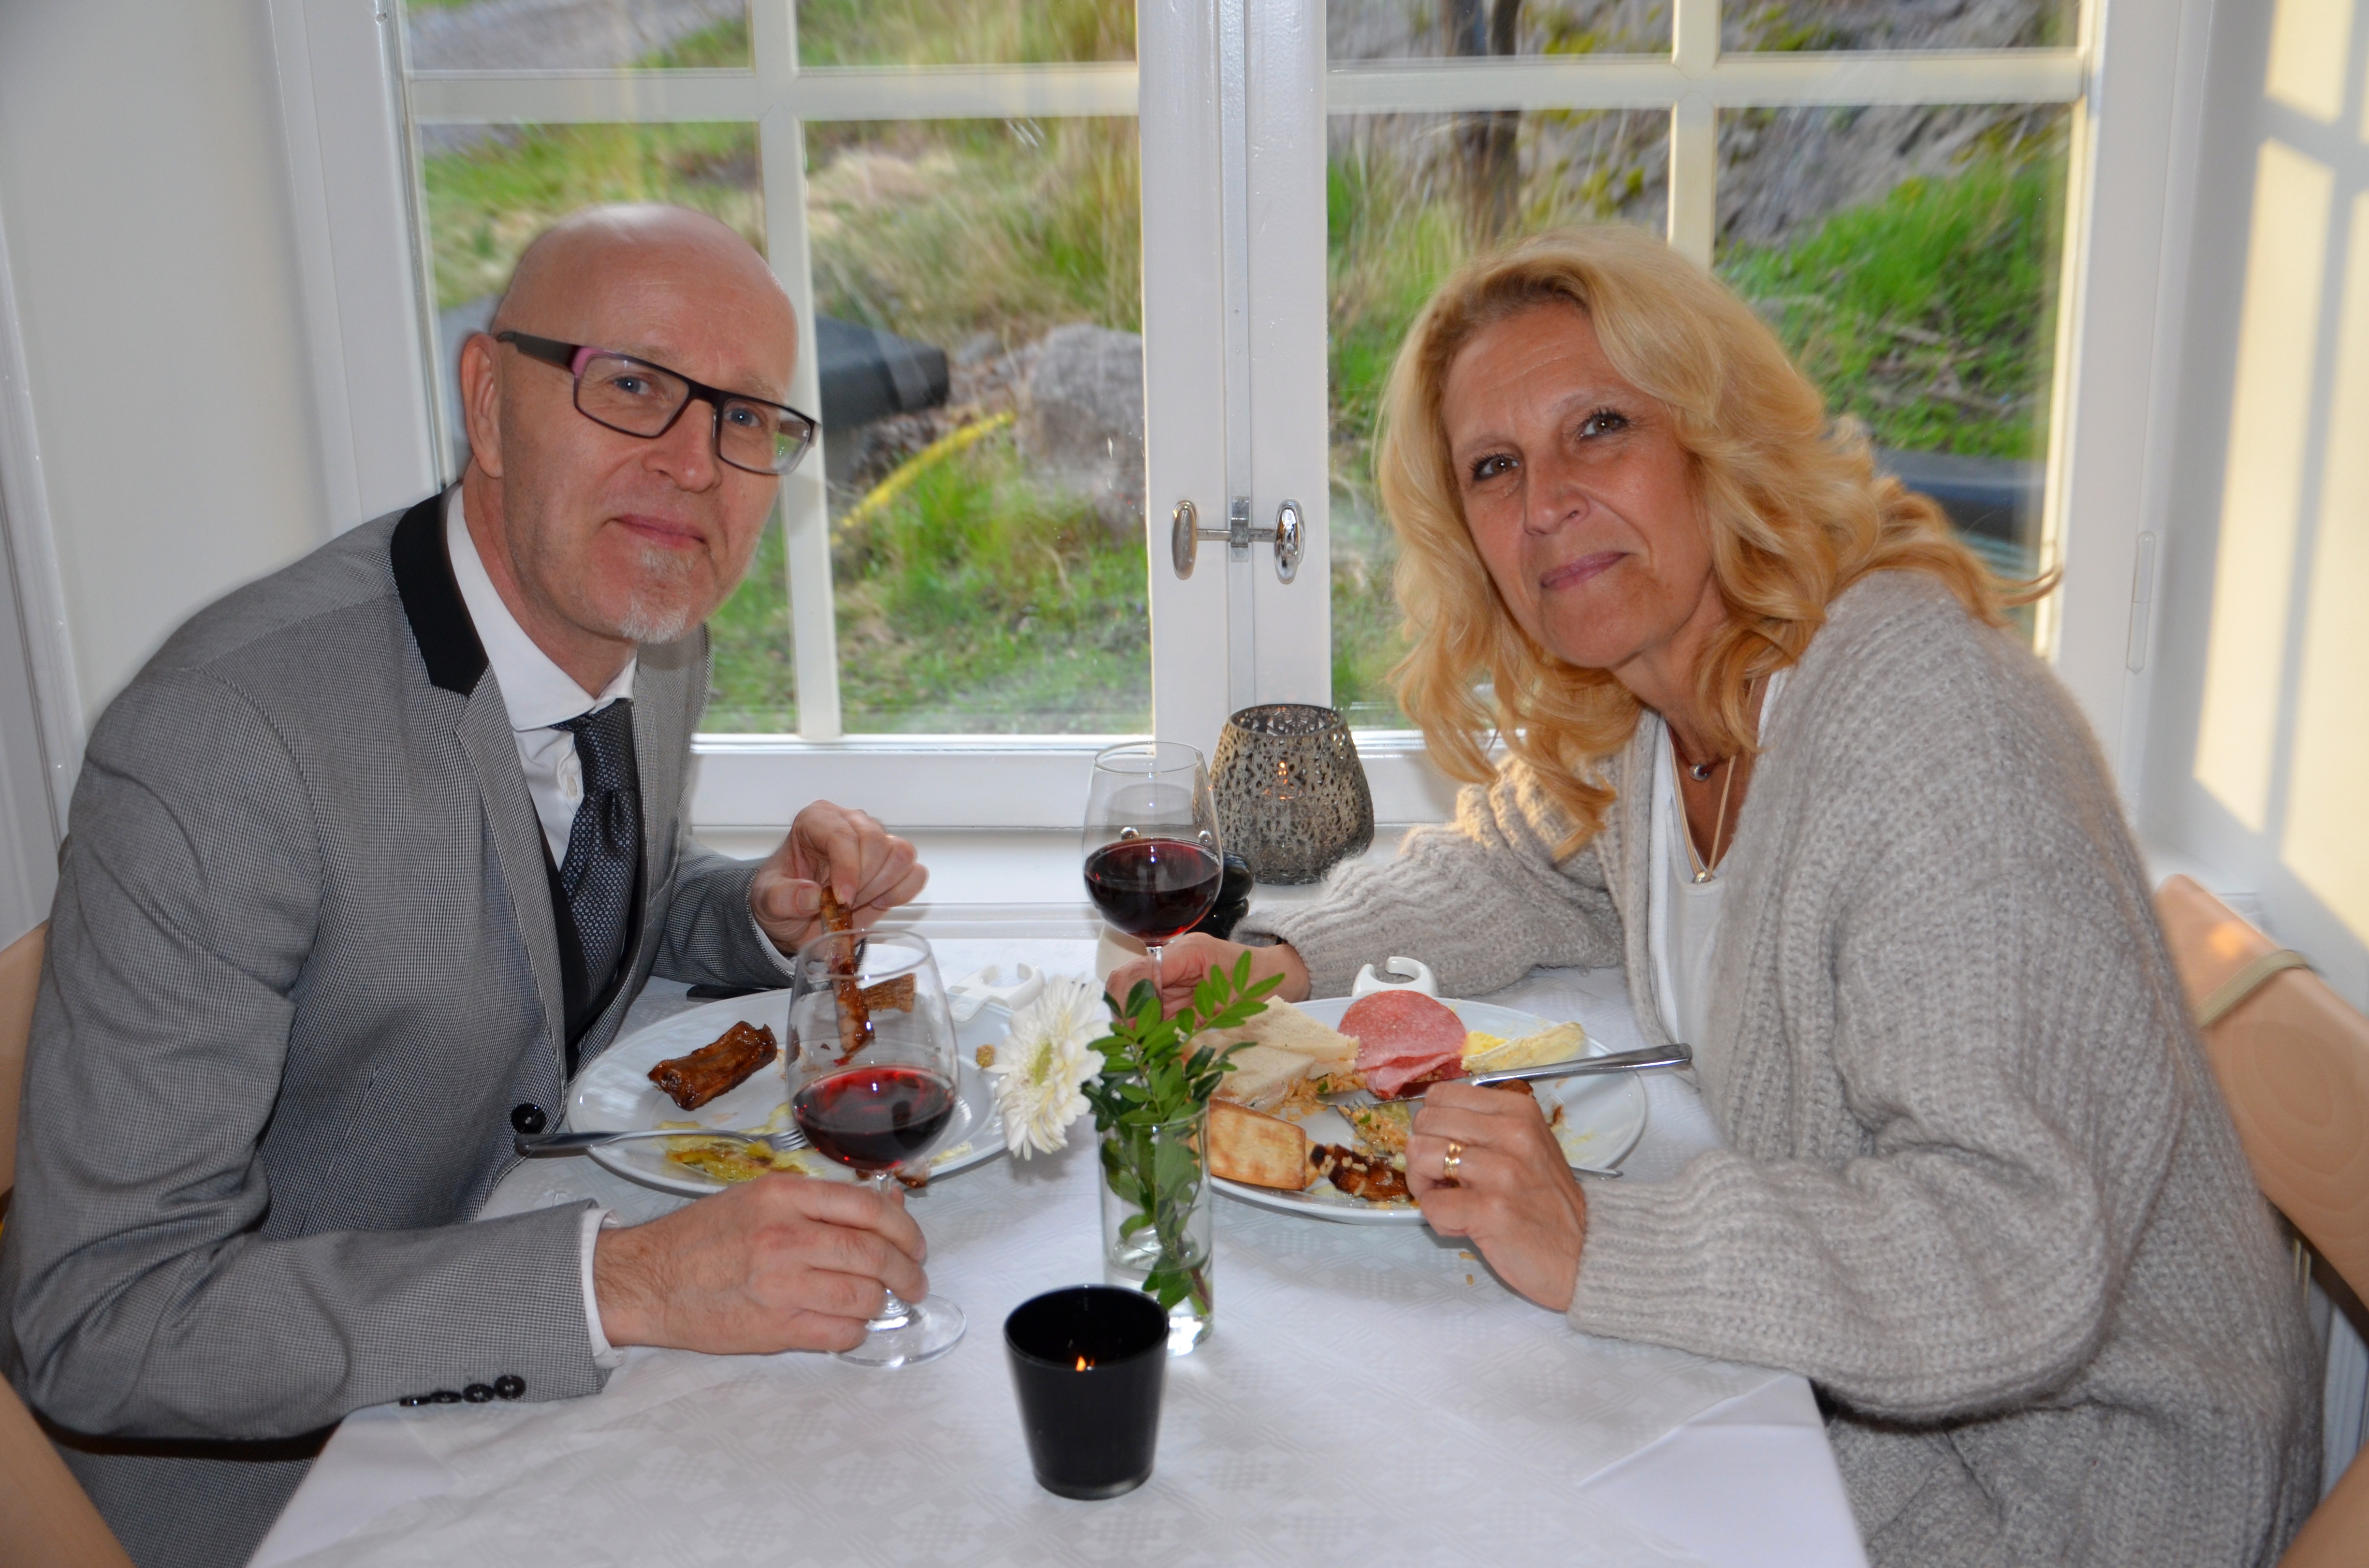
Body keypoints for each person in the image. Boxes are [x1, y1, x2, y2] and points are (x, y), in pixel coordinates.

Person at [1118, 227, 2319, 1564]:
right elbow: (1520, 865)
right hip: (1861, 1408)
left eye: (1599, 427)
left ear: (1714, 436)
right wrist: (1282, 957)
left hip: (2064, 1490)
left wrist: (1601, 1239)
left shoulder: (1923, 718)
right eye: (1494, 468)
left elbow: (2009, 1249)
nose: (1546, 503)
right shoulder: (1657, 697)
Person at [1, 206, 934, 1568]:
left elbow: (548, 911)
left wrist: (746, 912)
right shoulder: (227, 737)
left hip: (522, 1363)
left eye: (745, 418)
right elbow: (106, 1320)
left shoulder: (648, 624)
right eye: (633, 385)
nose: (694, 465)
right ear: (488, 400)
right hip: (277, 1482)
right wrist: (625, 1279)